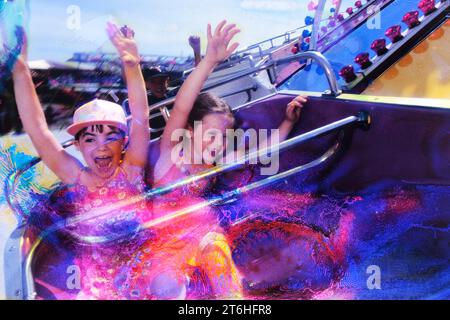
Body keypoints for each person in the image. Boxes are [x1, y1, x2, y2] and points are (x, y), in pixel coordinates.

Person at [12, 22, 152, 299]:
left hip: (143, 277)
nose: (101, 146)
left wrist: (132, 64)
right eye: (90, 139)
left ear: (124, 141)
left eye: (110, 136)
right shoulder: (78, 177)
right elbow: (38, 131)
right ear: (77, 145)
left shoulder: (132, 170)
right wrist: (20, 70)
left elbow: (141, 118)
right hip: (95, 285)